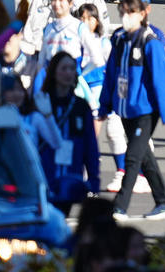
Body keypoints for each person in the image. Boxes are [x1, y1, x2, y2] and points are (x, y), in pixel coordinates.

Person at [98, 0, 165, 221]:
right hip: (125, 108)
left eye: (131, 12)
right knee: (144, 156)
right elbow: (110, 75)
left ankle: (119, 207)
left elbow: (160, 79)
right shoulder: (119, 39)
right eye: (123, 11)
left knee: (132, 157)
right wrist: (105, 105)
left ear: (142, 14)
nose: (126, 16)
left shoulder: (150, 42)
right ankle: (163, 202)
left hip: (146, 110)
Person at [36, 51, 100, 215]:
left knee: (62, 216)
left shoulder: (81, 106)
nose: (68, 73)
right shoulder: (41, 102)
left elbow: (90, 145)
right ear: (53, 72)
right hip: (44, 175)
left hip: (70, 178)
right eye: (64, 68)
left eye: (72, 69)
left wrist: (94, 179)